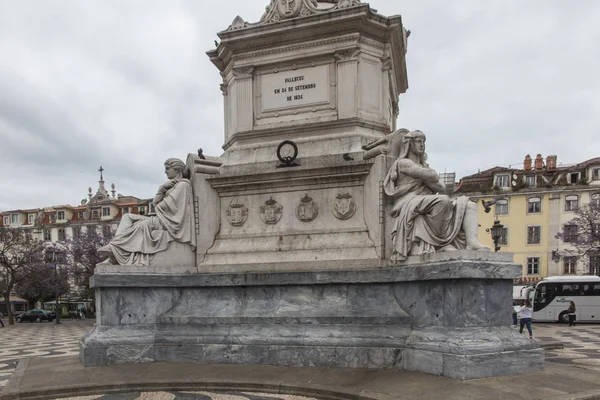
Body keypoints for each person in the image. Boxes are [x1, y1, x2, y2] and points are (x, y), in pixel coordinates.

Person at [383, 130, 489, 262]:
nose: (422, 145)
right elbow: (433, 177)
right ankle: (440, 244)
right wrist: (428, 176)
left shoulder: (422, 166)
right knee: (443, 201)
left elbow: (441, 187)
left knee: (469, 204)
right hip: (408, 202)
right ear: (409, 144)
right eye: (418, 141)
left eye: (423, 142)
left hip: (423, 200)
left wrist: (426, 176)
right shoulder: (403, 163)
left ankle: (472, 242)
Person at [99, 158, 196, 265]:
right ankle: (115, 247)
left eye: (168, 168)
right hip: (163, 219)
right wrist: (161, 189)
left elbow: (161, 206)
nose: (165, 171)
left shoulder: (183, 185)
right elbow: (156, 205)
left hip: (170, 222)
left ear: (177, 170)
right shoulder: (174, 186)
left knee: (141, 225)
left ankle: (114, 252)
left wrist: (162, 192)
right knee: (127, 216)